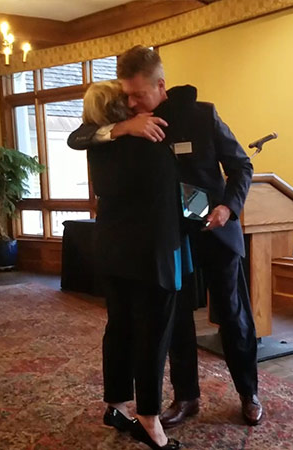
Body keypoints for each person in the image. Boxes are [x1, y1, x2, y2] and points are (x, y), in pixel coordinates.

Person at [68, 46, 263, 427]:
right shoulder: (129, 123)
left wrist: (228, 207)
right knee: (176, 323)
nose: (131, 101)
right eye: (126, 94)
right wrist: (124, 126)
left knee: (234, 316)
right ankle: (187, 397)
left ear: (161, 85)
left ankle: (249, 393)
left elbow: (242, 166)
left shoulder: (202, 115)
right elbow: (79, 137)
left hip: (216, 230)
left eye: (139, 94)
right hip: (172, 241)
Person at [82, 80, 194, 450]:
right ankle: (148, 417)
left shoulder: (98, 145)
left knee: (120, 330)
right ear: (124, 109)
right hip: (152, 256)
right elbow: (187, 94)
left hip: (111, 252)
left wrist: (121, 125)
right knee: (153, 338)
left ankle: (115, 405)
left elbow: (78, 136)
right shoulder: (150, 143)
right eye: (128, 99)